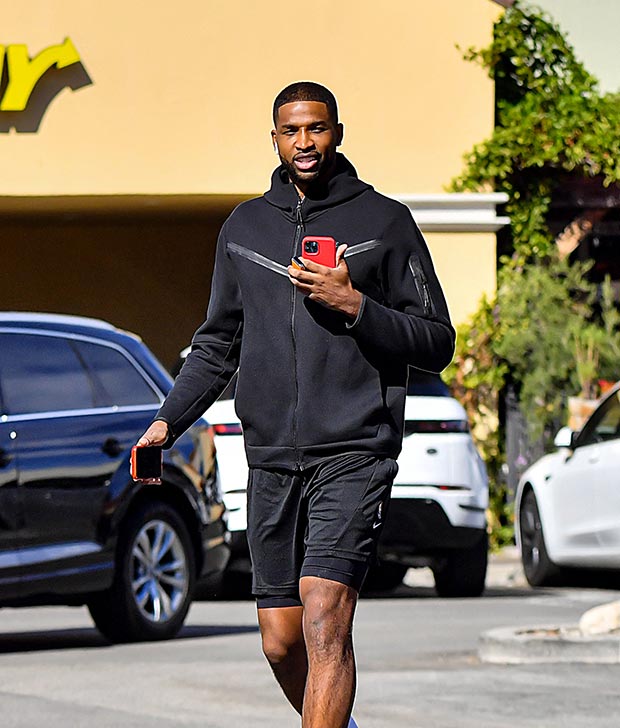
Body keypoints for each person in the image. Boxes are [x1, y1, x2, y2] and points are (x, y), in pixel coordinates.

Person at [138, 81, 455, 728]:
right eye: (291, 131)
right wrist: (168, 420)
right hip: (272, 457)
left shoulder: (384, 222)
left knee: (324, 612)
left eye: (316, 128)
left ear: (337, 132)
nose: (304, 142)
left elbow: (437, 340)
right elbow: (217, 344)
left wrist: (357, 306)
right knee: (282, 641)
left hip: (354, 450)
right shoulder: (245, 227)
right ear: (275, 138)